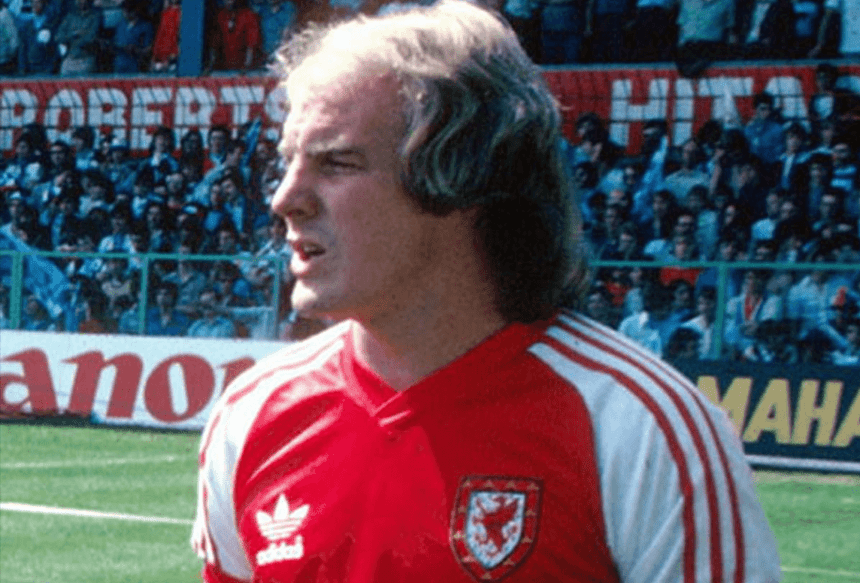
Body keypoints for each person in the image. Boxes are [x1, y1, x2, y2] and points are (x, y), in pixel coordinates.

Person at [191, 3, 781, 582]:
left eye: (338, 163)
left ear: (461, 179)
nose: (285, 198)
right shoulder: (252, 417)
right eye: (290, 161)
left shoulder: (640, 429)